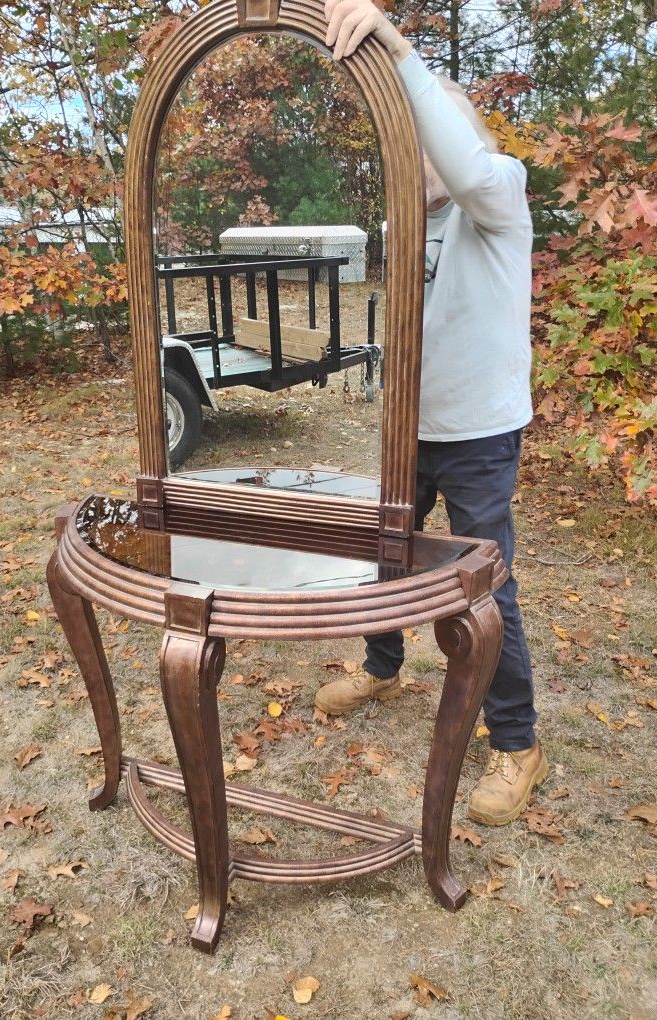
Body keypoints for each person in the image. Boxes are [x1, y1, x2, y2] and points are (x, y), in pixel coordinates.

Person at [314, 0, 548, 827]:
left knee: (483, 589)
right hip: (407, 429)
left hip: (480, 435)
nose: (424, 149)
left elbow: (469, 161)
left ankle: (516, 742)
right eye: (412, 136)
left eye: (435, 132)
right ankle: (384, 664)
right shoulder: (403, 218)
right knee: (386, 553)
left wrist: (398, 53)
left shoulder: (502, 194)